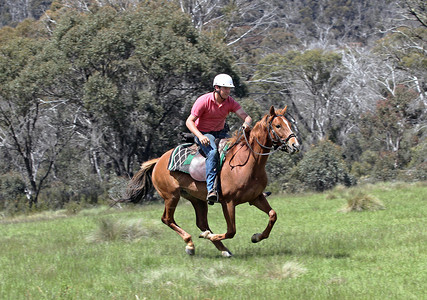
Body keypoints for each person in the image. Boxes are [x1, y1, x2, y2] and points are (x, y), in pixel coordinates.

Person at [186, 74, 252, 204]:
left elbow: (247, 117)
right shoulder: (203, 101)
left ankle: (249, 187)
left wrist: (246, 124)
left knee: (241, 149)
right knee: (213, 153)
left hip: (221, 133)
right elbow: (189, 122)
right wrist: (200, 136)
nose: (228, 91)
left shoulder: (230, 101)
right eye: (225, 88)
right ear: (216, 88)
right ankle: (211, 189)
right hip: (204, 134)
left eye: (229, 89)